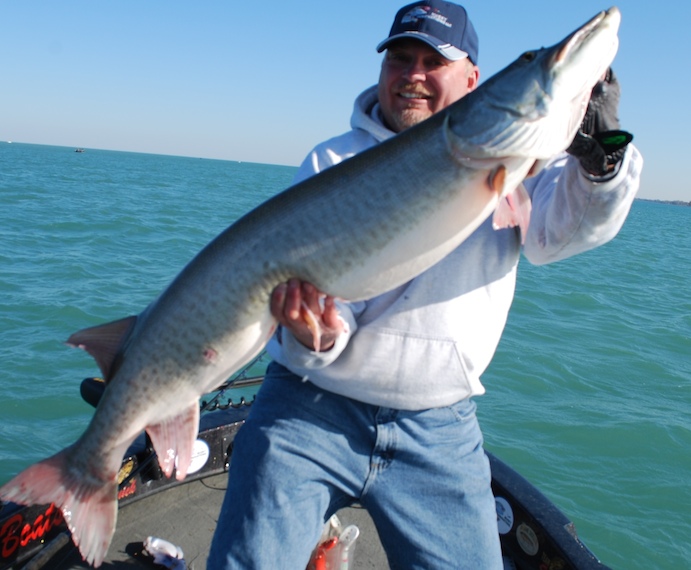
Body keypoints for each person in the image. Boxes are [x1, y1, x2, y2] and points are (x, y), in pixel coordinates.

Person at [208, 1, 643, 568]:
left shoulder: (521, 159)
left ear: (472, 79)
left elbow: (561, 235)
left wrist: (601, 161)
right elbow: (329, 308)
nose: (412, 74)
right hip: (309, 408)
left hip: (438, 426)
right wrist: (315, 332)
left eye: (432, 62)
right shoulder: (333, 160)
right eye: (400, 59)